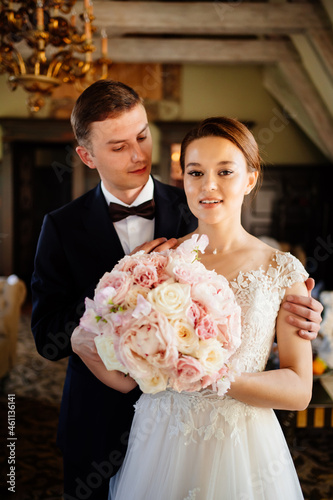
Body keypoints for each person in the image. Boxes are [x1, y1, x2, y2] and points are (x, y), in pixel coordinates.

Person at [30, 80, 321, 500]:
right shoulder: (61, 226)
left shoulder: (199, 206)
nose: (138, 154)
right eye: (118, 146)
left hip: (226, 435)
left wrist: (303, 314)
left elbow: (274, 332)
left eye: (143, 136)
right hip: (104, 418)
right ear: (86, 156)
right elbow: (46, 333)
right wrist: (113, 300)